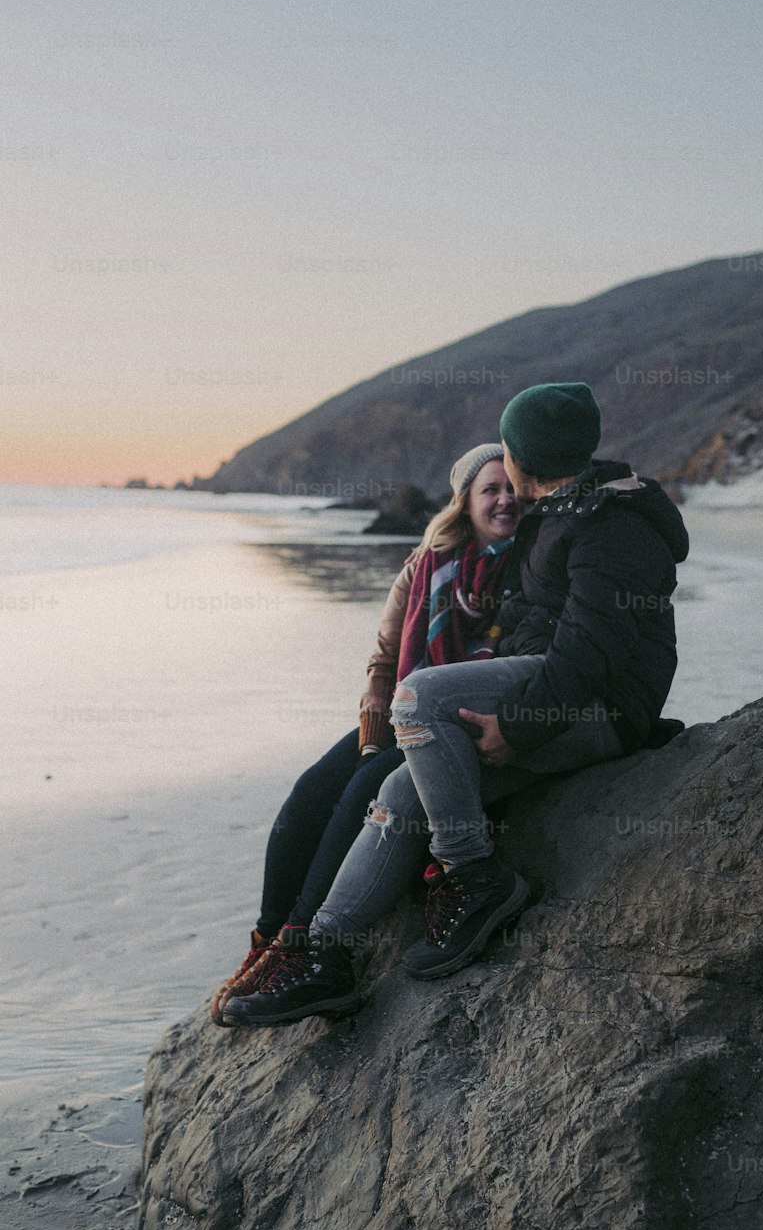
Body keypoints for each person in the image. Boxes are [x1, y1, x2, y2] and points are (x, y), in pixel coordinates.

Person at [222, 382, 688, 1027]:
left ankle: (473, 876)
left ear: (522, 457)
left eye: (507, 452)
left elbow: (589, 657)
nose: (501, 478)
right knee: (398, 785)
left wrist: (518, 727)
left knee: (419, 699)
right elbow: (534, 639)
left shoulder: (609, 529)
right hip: (560, 704)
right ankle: (324, 956)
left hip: (601, 715)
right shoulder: (560, 520)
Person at [210, 443, 520, 1025]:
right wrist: (374, 736)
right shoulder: (428, 564)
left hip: (454, 727)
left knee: (362, 798)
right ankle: (268, 941)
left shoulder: (531, 563)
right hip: (400, 714)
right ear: (465, 502)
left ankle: (306, 950)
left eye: (512, 489)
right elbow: (384, 661)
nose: (503, 499)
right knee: (310, 793)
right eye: (490, 490)